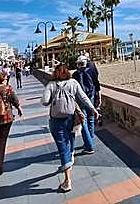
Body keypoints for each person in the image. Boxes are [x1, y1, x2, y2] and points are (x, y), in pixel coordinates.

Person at [41, 64, 99, 192]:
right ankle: (69, 159)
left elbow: (44, 101)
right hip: (71, 118)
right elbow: (83, 97)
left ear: (55, 73)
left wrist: (53, 98)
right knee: (70, 141)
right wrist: (93, 109)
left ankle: (67, 181)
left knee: (62, 148)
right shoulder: (73, 82)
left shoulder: (51, 85)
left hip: (57, 121)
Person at [72, 55, 101, 154]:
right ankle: (90, 140)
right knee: (91, 119)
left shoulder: (75, 74)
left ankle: (89, 145)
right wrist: (98, 95)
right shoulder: (91, 70)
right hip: (90, 96)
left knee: (83, 120)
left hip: (80, 99)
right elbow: (96, 83)